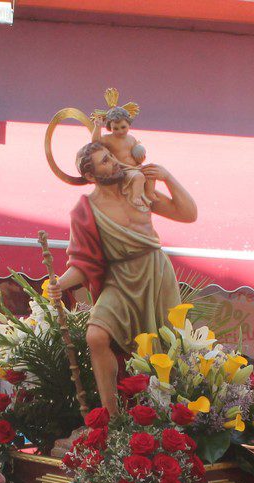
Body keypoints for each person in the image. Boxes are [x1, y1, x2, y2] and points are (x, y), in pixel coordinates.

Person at [52, 140, 197, 415]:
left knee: (165, 348)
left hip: (156, 273)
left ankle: (164, 413)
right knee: (96, 335)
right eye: (105, 161)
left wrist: (166, 177)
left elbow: (188, 214)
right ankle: (111, 416)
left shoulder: (136, 188)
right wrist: (60, 284)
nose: (115, 161)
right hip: (119, 279)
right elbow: (83, 263)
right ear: (91, 176)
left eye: (110, 155)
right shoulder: (85, 211)